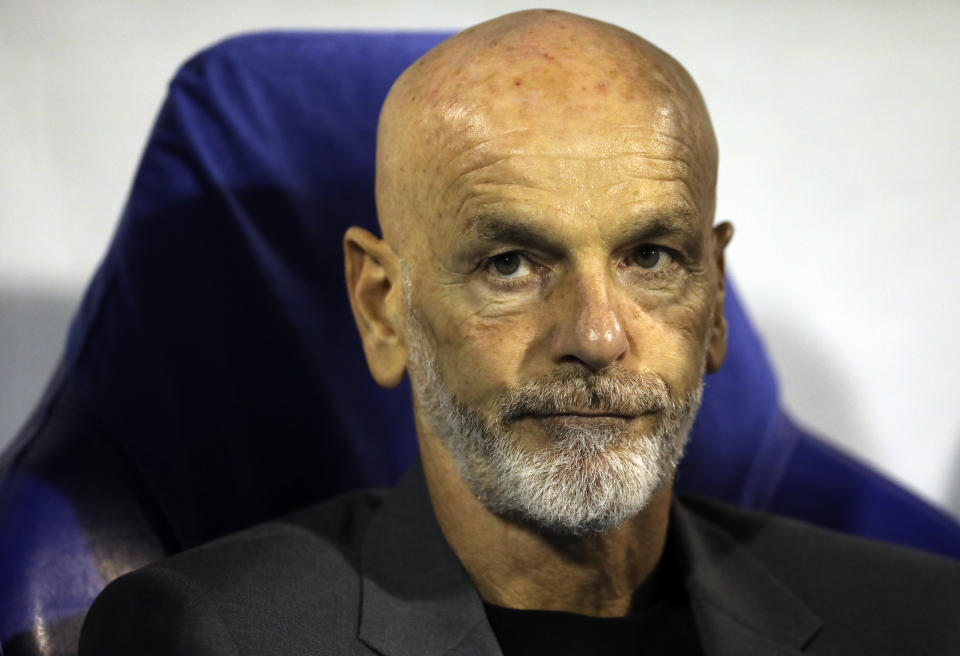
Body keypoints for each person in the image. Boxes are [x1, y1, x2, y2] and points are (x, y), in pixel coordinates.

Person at [79, 9, 959, 655]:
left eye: (650, 256)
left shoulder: (925, 616)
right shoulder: (211, 636)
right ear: (383, 307)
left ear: (716, 302)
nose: (599, 336)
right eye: (511, 264)